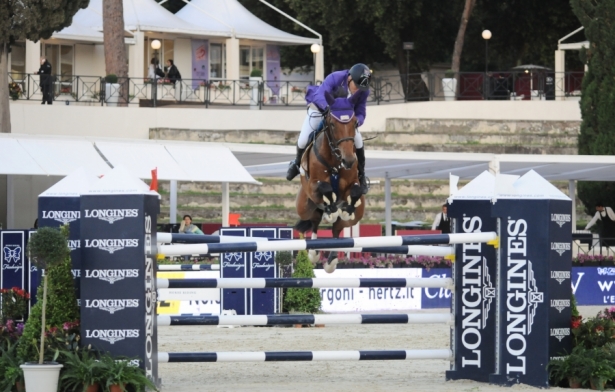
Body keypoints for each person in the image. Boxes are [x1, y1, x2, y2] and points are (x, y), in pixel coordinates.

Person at [285, 63, 372, 194]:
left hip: (345, 121)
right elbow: (320, 95)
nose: (358, 90)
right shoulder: (335, 78)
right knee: (303, 139)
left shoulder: (363, 91)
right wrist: (328, 110)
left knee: (359, 141)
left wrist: (356, 122)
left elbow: (361, 112)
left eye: (361, 87)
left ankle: (361, 175)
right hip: (321, 110)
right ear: (349, 79)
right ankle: (297, 163)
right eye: (357, 86)